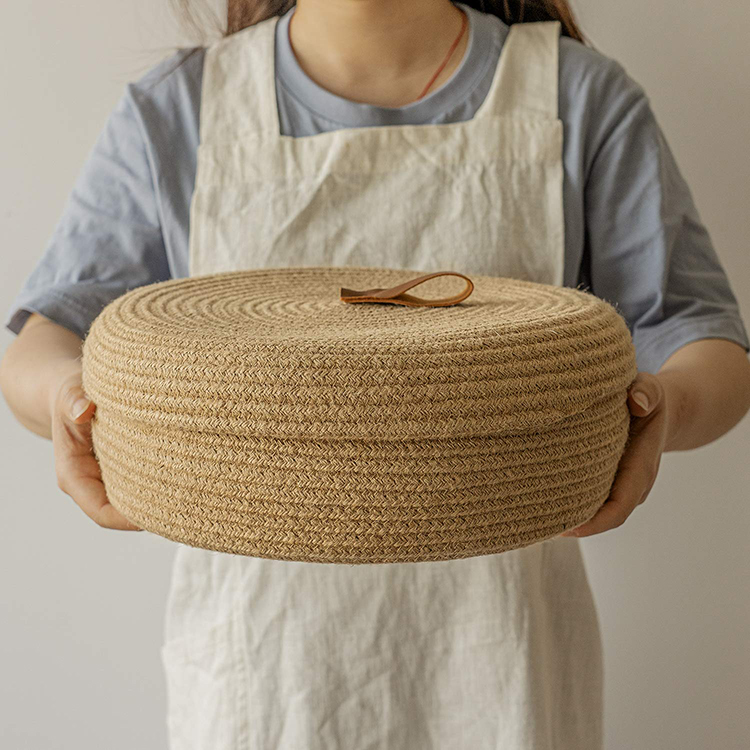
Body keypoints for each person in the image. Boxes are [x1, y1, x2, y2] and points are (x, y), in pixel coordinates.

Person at [3, 0, 750, 747]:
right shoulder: (181, 106)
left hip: (501, 666)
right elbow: (44, 341)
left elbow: (702, 338)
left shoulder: (573, 94)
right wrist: (68, 402)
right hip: (262, 675)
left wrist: (663, 410)